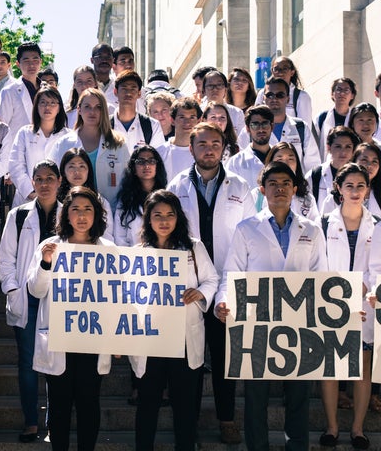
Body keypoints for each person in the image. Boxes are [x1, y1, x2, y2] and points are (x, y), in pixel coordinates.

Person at [215, 161, 328, 451]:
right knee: (256, 397)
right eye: (274, 184)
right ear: (262, 189)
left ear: (295, 189)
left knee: (299, 394)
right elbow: (232, 272)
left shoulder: (312, 230)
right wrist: (223, 300)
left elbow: (321, 277)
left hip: (300, 324)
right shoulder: (246, 228)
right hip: (257, 323)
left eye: (286, 184)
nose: (280, 189)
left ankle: (297, 447)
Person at [166, 121, 254, 444]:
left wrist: (234, 284)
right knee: (188, 361)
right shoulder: (176, 186)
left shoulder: (239, 186)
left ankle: (226, 417)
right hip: (190, 285)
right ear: (191, 149)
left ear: (223, 147)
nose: (209, 149)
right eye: (202, 144)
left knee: (223, 357)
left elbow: (248, 235)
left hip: (226, 282)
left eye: (215, 143)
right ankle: (186, 423)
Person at [131, 189, 219, 451]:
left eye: (170, 214)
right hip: (151, 342)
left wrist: (200, 293)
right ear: (148, 219)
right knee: (147, 405)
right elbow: (127, 294)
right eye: (157, 215)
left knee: (185, 408)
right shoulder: (138, 253)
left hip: (184, 341)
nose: (164, 220)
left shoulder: (194, 247)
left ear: (178, 217)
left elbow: (211, 279)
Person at [27, 185, 113, 451]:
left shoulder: (109, 250)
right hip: (59, 339)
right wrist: (46, 264)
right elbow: (36, 289)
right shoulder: (49, 247)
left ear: (97, 214)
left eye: (88, 209)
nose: (82, 215)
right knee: (60, 406)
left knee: (89, 404)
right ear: (66, 215)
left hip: (93, 340)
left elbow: (117, 297)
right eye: (75, 209)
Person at [0, 160, 61, 443]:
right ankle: (31, 422)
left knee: (55, 362)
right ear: (32, 182)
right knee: (27, 362)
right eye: (39, 178)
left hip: (59, 299)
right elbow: (7, 258)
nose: (45, 183)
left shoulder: (68, 213)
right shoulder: (18, 215)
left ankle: (53, 423)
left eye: (50, 178)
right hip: (27, 298)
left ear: (59, 182)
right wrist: (12, 289)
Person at [317, 163, 374, 449]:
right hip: (330, 304)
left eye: (360, 186)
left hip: (365, 306)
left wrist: (365, 290)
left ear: (368, 189)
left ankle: (358, 429)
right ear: (338, 188)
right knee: (331, 367)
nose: (355, 191)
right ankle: (332, 427)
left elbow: (378, 270)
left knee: (363, 367)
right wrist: (338, 296)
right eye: (349, 185)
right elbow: (317, 265)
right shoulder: (322, 223)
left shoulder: (377, 224)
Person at [50, 88, 129, 208]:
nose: (93, 111)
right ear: (79, 110)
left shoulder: (118, 144)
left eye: (98, 107)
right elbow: (53, 179)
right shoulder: (64, 144)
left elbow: (128, 181)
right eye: (87, 106)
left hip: (109, 211)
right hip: (73, 212)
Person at [9, 86, 70, 206]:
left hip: (59, 199)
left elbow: (70, 170)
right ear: (36, 106)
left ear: (59, 108)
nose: (47, 107)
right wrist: (31, 191)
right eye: (43, 103)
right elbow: (15, 165)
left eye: (52, 103)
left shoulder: (69, 136)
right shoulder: (25, 133)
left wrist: (54, 193)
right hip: (26, 198)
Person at [253, 77, 321, 174]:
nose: (274, 99)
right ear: (264, 99)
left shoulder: (300, 127)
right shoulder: (253, 129)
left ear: (288, 99)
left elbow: (313, 165)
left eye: (280, 95)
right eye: (270, 95)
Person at [113, 145, 168, 246]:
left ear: (157, 166)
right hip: (132, 257)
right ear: (133, 168)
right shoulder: (125, 200)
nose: (146, 166)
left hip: (161, 255)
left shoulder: (167, 197)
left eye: (151, 161)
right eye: (141, 162)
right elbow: (119, 236)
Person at [56, 148, 113, 241]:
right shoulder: (55, 200)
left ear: (89, 170)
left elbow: (108, 235)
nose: (77, 172)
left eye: (82, 166)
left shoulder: (100, 201)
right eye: (72, 167)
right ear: (63, 172)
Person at [255, 142, 320, 220]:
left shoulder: (307, 199)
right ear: (270, 163)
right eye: (280, 159)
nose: (286, 163)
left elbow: (315, 228)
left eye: (290, 159)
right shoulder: (257, 196)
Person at [305, 126, 360, 207]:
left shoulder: (360, 175)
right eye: (338, 146)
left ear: (353, 150)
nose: (343, 152)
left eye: (348, 147)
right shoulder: (315, 175)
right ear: (328, 148)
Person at [111, 70, 164, 150]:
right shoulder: (104, 125)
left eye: (133, 89)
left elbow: (159, 157)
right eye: (124, 88)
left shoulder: (152, 125)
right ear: (115, 92)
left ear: (139, 93)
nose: (128, 93)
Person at [254, 56, 313, 127]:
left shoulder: (301, 96)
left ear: (292, 72)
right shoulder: (262, 93)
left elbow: (305, 127)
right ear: (272, 71)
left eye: (284, 69)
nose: (280, 72)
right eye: (276, 69)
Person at [0, 42, 43, 136]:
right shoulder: (9, 91)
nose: (31, 65)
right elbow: (2, 127)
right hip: (18, 147)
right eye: (26, 60)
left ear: (41, 62)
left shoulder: (49, 90)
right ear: (18, 64)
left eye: (35, 60)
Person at [226, 105, 274, 188]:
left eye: (265, 124)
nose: (261, 129)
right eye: (255, 125)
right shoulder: (235, 163)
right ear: (248, 129)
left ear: (272, 127)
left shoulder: (281, 157)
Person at [156, 97, 201, 180]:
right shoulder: (160, 152)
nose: (187, 122)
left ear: (198, 121)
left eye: (192, 117)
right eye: (182, 117)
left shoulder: (204, 152)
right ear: (172, 120)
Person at [315, 78, 355, 160]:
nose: (342, 93)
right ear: (332, 94)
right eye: (338, 90)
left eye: (346, 90)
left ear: (352, 95)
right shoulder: (322, 117)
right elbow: (314, 145)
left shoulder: (356, 117)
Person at [201, 70, 246, 136]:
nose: (215, 89)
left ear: (226, 89)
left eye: (219, 85)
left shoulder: (237, 113)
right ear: (203, 90)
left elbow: (242, 141)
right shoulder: (198, 111)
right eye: (210, 85)